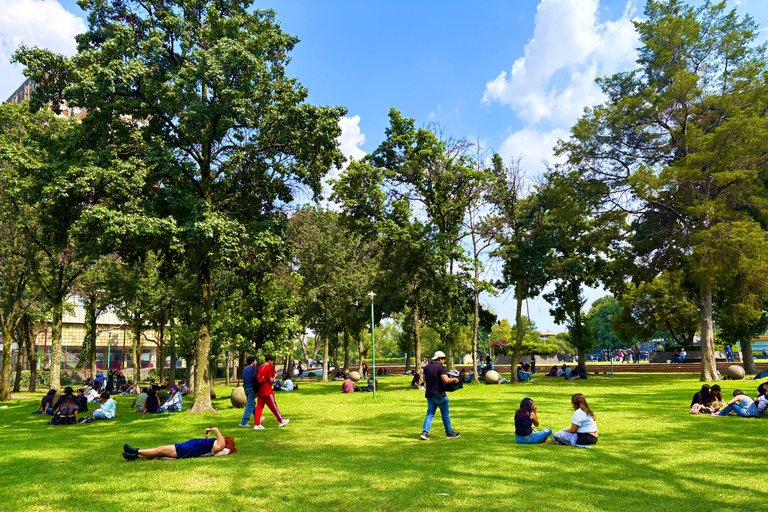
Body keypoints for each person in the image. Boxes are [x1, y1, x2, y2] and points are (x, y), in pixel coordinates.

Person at [122, 427, 236, 461]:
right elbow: (205, 445)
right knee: (159, 452)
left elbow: (216, 429)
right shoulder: (217, 444)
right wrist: (206, 437)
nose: (222, 437)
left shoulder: (221, 445)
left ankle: (136, 451)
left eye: (225, 438)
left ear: (227, 441)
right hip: (188, 447)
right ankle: (134, 456)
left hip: (187, 448)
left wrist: (211, 429)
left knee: (160, 449)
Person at [419, 351, 461, 440]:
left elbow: (424, 378)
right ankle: (449, 433)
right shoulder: (441, 368)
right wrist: (455, 380)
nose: (444, 360)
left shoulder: (427, 367)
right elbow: (446, 380)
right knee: (445, 414)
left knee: (430, 414)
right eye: (443, 359)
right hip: (439, 394)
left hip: (430, 394)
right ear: (439, 358)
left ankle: (425, 433)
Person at [253, 355, 289, 430]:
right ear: (269, 360)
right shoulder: (269, 368)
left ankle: (257, 424)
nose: (272, 363)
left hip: (260, 390)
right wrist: (275, 377)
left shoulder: (260, 367)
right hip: (267, 390)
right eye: (272, 361)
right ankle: (281, 420)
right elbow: (270, 380)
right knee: (273, 406)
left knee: (259, 407)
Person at [239, 355, 258, 428]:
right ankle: (243, 422)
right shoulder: (254, 369)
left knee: (252, 403)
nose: (256, 362)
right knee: (250, 405)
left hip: (246, 388)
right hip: (251, 388)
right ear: (252, 362)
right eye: (255, 361)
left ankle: (258, 418)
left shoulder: (244, 369)